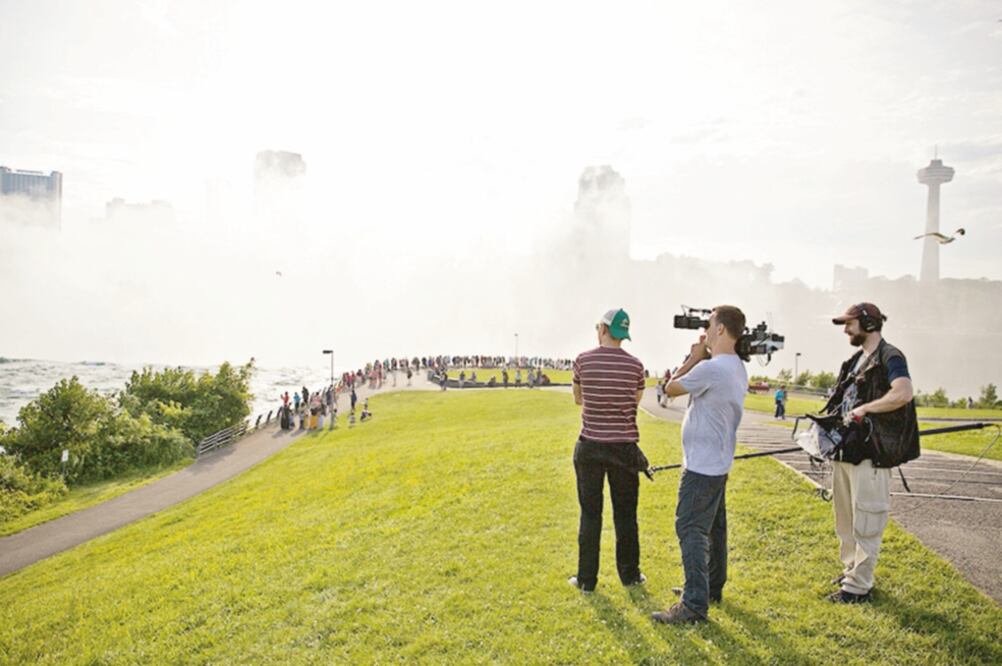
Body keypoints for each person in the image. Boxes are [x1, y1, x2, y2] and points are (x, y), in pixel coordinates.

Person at [652, 305, 748, 625]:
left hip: (701, 466)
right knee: (713, 529)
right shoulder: (735, 366)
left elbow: (670, 389)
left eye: (709, 325)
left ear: (720, 330)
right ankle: (710, 588)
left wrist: (694, 356)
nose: (705, 330)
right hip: (718, 462)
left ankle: (694, 604)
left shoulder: (713, 368)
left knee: (690, 527)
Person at [823, 303, 917, 604]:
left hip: (871, 453)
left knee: (867, 519)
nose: (845, 330)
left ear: (869, 323)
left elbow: (903, 393)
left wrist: (865, 408)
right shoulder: (854, 361)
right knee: (846, 519)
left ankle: (858, 587)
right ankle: (852, 570)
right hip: (847, 451)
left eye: (849, 324)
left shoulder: (891, 356)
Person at [568, 308, 647, 593]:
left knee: (590, 515)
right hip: (624, 448)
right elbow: (635, 400)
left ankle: (586, 580)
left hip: (590, 445)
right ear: (623, 334)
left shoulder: (583, 360)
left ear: (602, 329)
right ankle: (630, 575)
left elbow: (579, 399)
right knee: (626, 516)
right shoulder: (636, 366)